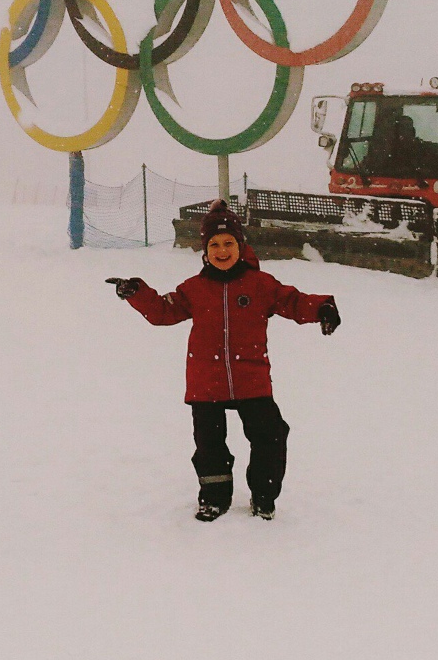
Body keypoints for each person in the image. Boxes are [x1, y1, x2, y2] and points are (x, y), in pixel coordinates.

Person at [106, 199, 341, 523]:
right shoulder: (194, 289)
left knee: (271, 436)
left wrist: (322, 307)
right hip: (207, 382)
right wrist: (136, 292)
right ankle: (214, 498)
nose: (221, 250)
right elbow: (162, 311)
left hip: (251, 379)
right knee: (209, 446)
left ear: (240, 245)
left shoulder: (261, 285)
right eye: (214, 244)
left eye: (228, 242)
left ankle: (263, 496)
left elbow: (293, 301)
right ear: (205, 250)